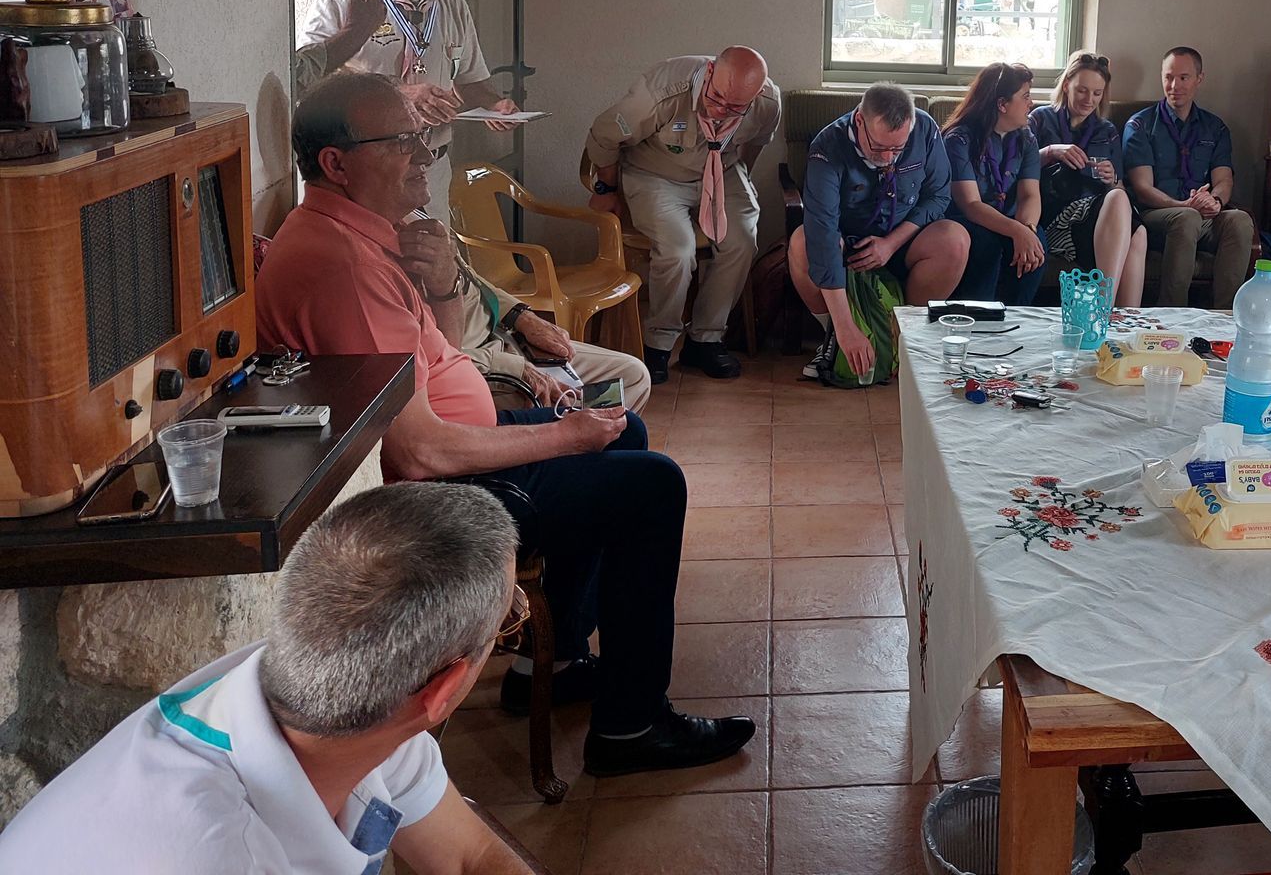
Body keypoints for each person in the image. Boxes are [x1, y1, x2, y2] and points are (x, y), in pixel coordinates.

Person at [255, 72, 753, 775]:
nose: (424, 156)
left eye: (421, 138)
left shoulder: (364, 236)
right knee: (653, 485)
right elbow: (418, 453)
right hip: (428, 500)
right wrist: (565, 435)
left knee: (628, 433)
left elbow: (446, 351)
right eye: (400, 143)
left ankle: (557, 660)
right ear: (336, 164)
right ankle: (632, 726)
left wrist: (440, 285)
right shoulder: (340, 265)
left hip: (456, 450)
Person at [0, 482, 537, 873]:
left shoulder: (351, 706)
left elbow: (469, 858)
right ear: (443, 691)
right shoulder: (218, 854)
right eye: (508, 618)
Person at [300, 0, 519, 216]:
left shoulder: (452, 3)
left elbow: (471, 81)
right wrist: (399, 96)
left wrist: (494, 105)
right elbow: (309, 91)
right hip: (369, 175)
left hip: (432, 168)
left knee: (433, 248)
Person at [585, 49, 782, 384]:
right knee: (678, 249)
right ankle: (658, 345)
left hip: (722, 170)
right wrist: (607, 189)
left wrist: (734, 180)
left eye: (735, 107)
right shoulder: (662, 91)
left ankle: (705, 339)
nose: (720, 110)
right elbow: (605, 135)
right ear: (710, 71)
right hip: (656, 174)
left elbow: (755, 144)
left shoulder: (767, 103)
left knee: (742, 241)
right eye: (716, 97)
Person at [788, 82, 968, 380]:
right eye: (880, 147)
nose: (888, 158)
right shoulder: (827, 147)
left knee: (955, 239)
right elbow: (822, 232)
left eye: (898, 149)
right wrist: (845, 328)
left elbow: (938, 196)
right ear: (860, 120)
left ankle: (903, 337)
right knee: (802, 242)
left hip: (902, 242)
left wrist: (891, 244)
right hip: (846, 247)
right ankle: (834, 336)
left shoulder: (925, 129)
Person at [1123, 47, 1256, 308]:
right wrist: (1183, 205)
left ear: (1199, 79)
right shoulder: (1140, 125)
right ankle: (1173, 312)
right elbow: (1142, 188)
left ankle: (1224, 316)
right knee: (1186, 218)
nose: (1175, 86)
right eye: (1168, 77)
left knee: (1240, 220)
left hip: (1202, 216)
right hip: (1156, 215)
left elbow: (1224, 179)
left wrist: (1214, 201)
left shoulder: (1214, 127)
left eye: (1183, 78)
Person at [454, 247, 651, 412]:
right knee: (573, 409)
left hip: (500, 338)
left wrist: (520, 316)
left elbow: (468, 277)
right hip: (474, 371)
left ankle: (593, 442)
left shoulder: (434, 224)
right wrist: (514, 368)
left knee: (632, 375)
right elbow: (438, 361)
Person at [1029, 50, 1146, 306]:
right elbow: (1017, 168)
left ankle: (1127, 320)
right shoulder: (1039, 119)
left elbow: (1118, 186)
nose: (1089, 100)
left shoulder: (1106, 130)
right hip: (1056, 214)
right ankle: (1103, 309)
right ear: (1066, 85)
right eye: (1082, 90)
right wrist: (1050, 152)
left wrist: (1111, 179)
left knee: (1138, 231)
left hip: (1096, 214)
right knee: (1121, 205)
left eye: (1097, 93)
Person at [944, 63, 1047, 305]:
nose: (1031, 104)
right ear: (1002, 104)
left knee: (1036, 242)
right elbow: (970, 204)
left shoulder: (1026, 138)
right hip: (966, 221)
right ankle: (979, 316)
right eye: (1025, 97)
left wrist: (1027, 230)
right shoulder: (959, 139)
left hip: (1009, 219)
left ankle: (1017, 316)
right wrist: (1017, 231)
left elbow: (1030, 195)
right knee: (986, 244)